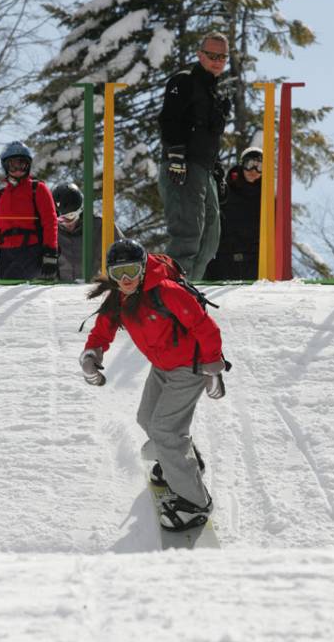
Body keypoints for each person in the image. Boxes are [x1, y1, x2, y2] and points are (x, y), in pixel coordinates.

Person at [79, 239, 226, 532]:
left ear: (144, 268)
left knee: (165, 431)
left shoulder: (167, 292)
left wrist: (213, 369)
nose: (126, 279)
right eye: (119, 273)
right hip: (163, 365)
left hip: (189, 367)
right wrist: (92, 354)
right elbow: (102, 330)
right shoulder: (119, 297)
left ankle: (196, 503)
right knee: (147, 418)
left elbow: (205, 327)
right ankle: (182, 460)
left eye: (132, 270)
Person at [158, 32, 231, 281]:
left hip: (204, 169)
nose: (217, 61)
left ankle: (189, 289)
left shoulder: (214, 94)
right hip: (183, 166)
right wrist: (176, 155)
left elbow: (208, 138)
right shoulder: (184, 81)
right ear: (200, 54)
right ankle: (169, 293)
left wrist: (217, 171)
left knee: (210, 236)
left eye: (222, 56)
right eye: (211, 55)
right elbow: (169, 120)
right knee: (187, 234)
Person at [0, 141, 58, 281]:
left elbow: (50, 222)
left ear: (27, 166)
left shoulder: (38, 189)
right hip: (6, 254)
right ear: (6, 166)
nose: (17, 169)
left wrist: (50, 253)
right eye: (13, 165)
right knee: (6, 290)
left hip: (30, 250)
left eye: (21, 165)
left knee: (14, 286)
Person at [205, 146, 262, 281]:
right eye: (250, 164)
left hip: (254, 264)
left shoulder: (266, 199)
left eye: (259, 166)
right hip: (224, 260)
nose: (253, 171)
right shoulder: (226, 191)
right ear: (242, 164)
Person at [51, 182, 124, 282]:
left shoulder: (100, 226)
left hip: (94, 287)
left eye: (71, 217)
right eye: (61, 220)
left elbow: (124, 252)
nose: (67, 223)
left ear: (80, 211)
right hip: (63, 290)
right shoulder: (52, 232)